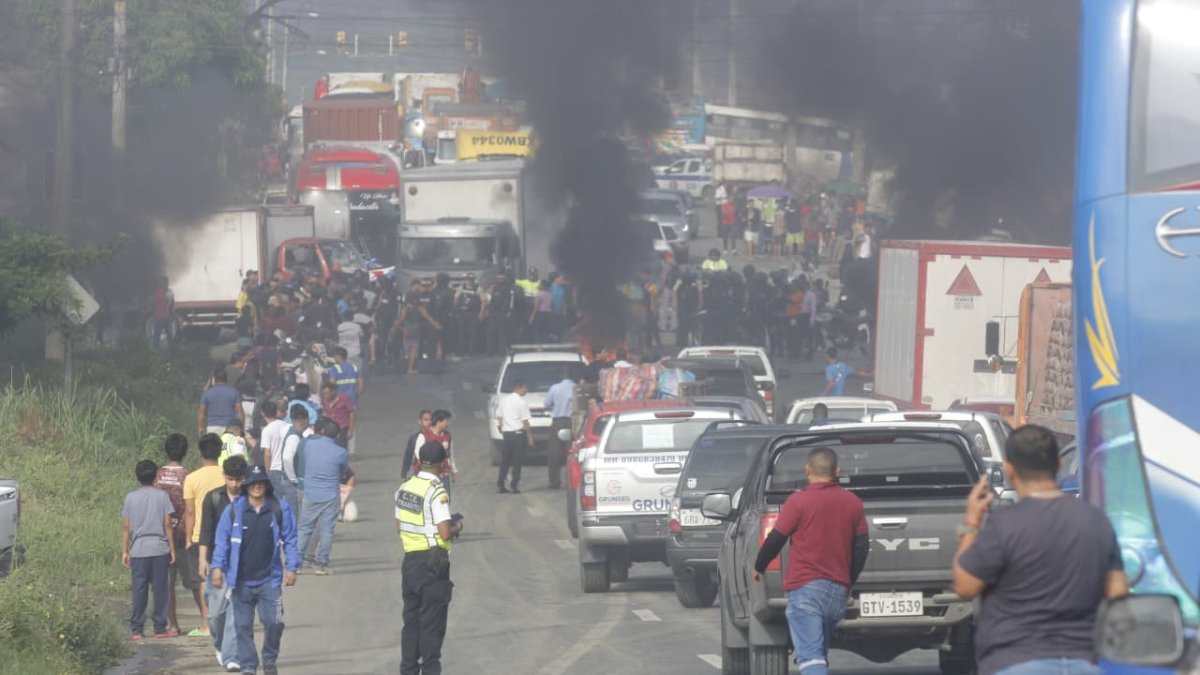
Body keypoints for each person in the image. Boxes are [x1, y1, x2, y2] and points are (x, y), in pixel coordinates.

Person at [953, 426, 1128, 675]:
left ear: (1009, 469)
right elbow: (1117, 590)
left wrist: (971, 523)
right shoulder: (1096, 521)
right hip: (1081, 663)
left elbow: (965, 586)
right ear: (1058, 464)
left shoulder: (1004, 524)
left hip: (1013, 662)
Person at [754, 447, 869, 675]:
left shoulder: (798, 502)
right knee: (818, 654)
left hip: (805, 590)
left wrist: (759, 566)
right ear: (837, 471)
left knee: (811, 658)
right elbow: (862, 547)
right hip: (836, 592)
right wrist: (848, 581)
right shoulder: (853, 502)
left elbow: (776, 539)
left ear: (807, 470)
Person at [210, 464, 300, 675]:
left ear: (266, 485)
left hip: (271, 580)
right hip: (240, 581)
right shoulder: (233, 511)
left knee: (274, 622)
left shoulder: (278, 508)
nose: (257, 487)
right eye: (253, 483)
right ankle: (249, 666)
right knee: (242, 627)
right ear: (246, 485)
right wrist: (217, 568)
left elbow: (291, 539)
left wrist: (292, 567)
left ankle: (269, 659)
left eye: (261, 483)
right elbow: (221, 541)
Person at [396, 442, 464, 675]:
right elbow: (445, 532)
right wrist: (457, 526)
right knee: (432, 625)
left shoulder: (405, 488)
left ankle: (408, 670)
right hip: (433, 563)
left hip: (410, 562)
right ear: (443, 463)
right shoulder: (436, 491)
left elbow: (399, 526)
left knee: (411, 620)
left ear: (419, 460)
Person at [198, 456, 248, 672]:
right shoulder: (214, 498)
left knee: (235, 611)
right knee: (215, 614)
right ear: (224, 477)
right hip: (218, 563)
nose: (235, 485)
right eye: (230, 479)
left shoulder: (251, 498)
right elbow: (206, 531)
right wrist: (202, 559)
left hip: (243, 564)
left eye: (238, 480)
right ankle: (219, 644)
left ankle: (232, 656)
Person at [123, 459, 179, 640]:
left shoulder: (131, 497)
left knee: (139, 589)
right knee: (160, 589)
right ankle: (159, 628)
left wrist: (125, 550)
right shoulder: (162, 496)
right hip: (159, 548)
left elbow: (127, 528)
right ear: (155, 476)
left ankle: (137, 629)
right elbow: (168, 524)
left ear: (137, 477)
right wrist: (171, 548)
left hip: (138, 549)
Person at [181, 433, 226, 637]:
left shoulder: (191, 478)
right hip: (224, 534)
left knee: (202, 579)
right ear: (220, 452)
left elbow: (190, 511)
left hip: (200, 535)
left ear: (200, 454)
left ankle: (206, 624)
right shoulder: (228, 474)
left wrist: (189, 536)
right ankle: (225, 619)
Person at [294, 417, 351, 575]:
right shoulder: (341, 452)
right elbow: (344, 471)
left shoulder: (310, 445)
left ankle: (296, 564)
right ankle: (321, 564)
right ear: (337, 435)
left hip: (310, 493)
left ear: (323, 431)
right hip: (330, 496)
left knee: (304, 528)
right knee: (326, 531)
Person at [152, 434, 190, 636]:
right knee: (195, 581)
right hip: (184, 535)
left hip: (162, 535)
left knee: (168, 583)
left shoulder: (156, 475)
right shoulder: (188, 476)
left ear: (165, 451)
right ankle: (207, 619)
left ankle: (173, 625)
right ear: (185, 452)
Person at [495, 379, 533, 494]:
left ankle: (501, 484)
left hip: (507, 435)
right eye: (525, 388)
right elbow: (525, 422)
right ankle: (514, 485)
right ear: (520, 388)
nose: (526, 390)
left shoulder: (504, 400)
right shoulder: (521, 402)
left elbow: (499, 416)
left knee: (505, 461)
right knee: (517, 462)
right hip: (518, 435)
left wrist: (502, 428)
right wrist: (530, 436)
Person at [542, 369, 575, 490]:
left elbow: (546, 404)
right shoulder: (575, 387)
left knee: (554, 453)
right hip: (572, 422)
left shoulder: (554, 388)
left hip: (557, 423)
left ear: (561, 376)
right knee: (571, 452)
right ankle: (572, 481)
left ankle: (554, 482)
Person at [414, 410, 457, 500]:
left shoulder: (448, 436)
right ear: (439, 422)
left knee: (444, 499)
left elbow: (450, 454)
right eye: (446, 421)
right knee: (429, 499)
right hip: (428, 476)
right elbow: (418, 455)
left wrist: (453, 470)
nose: (448, 424)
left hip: (444, 475)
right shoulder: (424, 436)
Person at [277, 404, 312, 516]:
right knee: (294, 515)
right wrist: (293, 478)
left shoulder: (290, 431)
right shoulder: (294, 437)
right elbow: (287, 458)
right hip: (289, 482)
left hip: (286, 479)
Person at [198, 369, 244, 437]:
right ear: (226, 379)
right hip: (229, 426)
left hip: (212, 427)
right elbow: (240, 412)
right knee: (227, 447)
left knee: (213, 447)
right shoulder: (234, 392)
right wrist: (241, 427)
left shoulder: (207, 393)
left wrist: (201, 427)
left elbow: (201, 413)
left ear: (215, 380)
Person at [402, 410, 434, 480]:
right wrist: (404, 473)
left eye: (431, 420)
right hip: (419, 473)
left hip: (435, 473)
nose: (429, 422)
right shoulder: (414, 438)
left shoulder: (438, 437)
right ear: (420, 421)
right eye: (426, 420)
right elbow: (408, 456)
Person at [149, 276, 175, 350]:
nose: (165, 283)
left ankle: (172, 350)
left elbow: (172, 303)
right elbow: (152, 304)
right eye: (163, 282)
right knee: (157, 335)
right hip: (159, 317)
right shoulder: (156, 292)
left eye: (166, 282)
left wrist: (172, 314)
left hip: (166, 316)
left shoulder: (170, 292)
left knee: (169, 335)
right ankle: (155, 351)